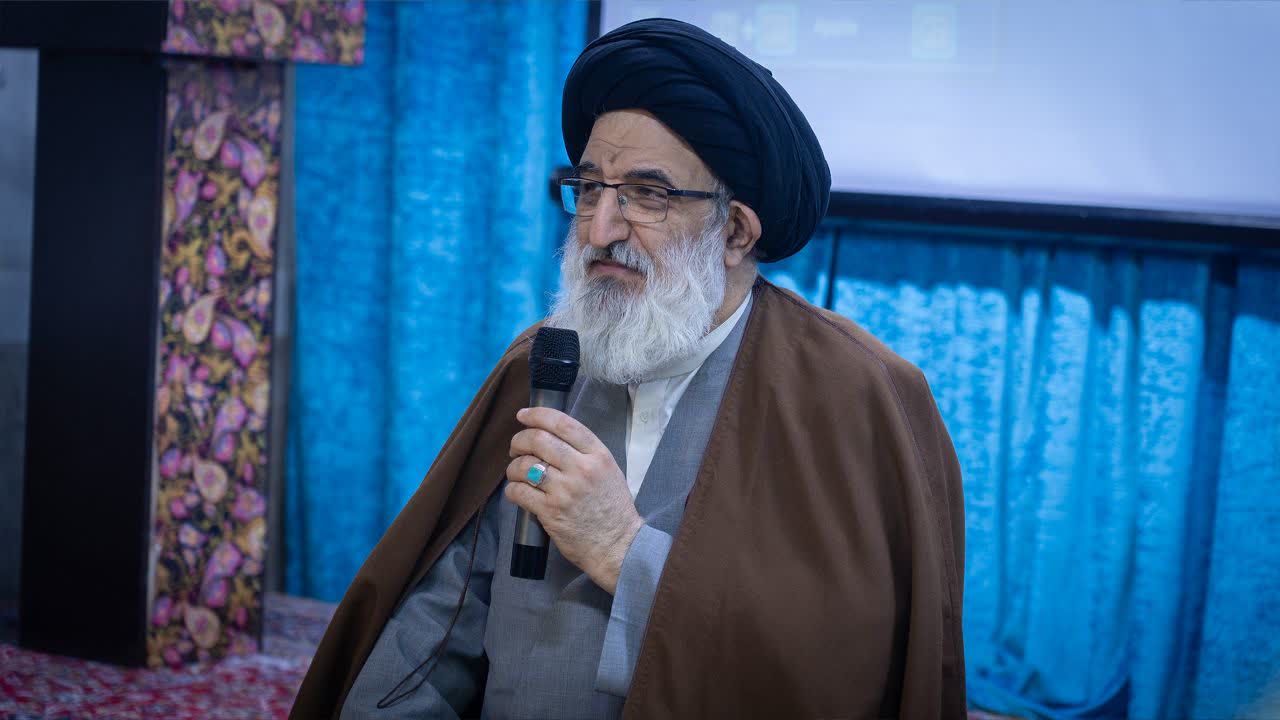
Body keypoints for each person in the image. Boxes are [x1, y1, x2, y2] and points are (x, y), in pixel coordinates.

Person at [293, 18, 965, 720]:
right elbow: (441, 621)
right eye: (589, 189)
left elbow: (840, 673)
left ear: (735, 231)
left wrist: (625, 552)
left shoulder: (856, 397)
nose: (599, 229)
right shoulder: (546, 363)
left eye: (648, 194)